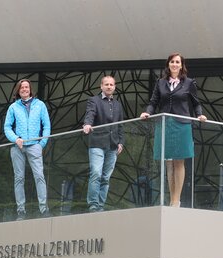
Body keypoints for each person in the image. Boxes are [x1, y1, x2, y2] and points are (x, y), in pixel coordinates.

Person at [140, 52, 207, 207]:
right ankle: (172, 199)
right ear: (168, 64)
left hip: (182, 123)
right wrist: (147, 112)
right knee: (169, 162)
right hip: (165, 123)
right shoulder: (160, 82)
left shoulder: (189, 82)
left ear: (181, 65)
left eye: (178, 62)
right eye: (172, 62)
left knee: (179, 162)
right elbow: (153, 101)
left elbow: (196, 102)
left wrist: (200, 115)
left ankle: (176, 200)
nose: (175, 64)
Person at [4, 79, 51, 221]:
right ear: (18, 90)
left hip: (34, 145)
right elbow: (7, 127)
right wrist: (15, 138)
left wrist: (41, 144)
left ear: (30, 90)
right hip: (18, 147)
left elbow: (47, 126)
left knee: (39, 176)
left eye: (27, 87)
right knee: (19, 178)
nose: (24, 89)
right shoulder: (13, 107)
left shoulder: (40, 105)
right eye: (22, 87)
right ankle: (21, 211)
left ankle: (43, 209)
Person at [83, 76, 124, 212]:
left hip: (112, 145)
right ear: (101, 86)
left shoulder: (118, 104)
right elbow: (90, 113)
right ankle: (93, 204)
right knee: (96, 173)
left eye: (111, 84)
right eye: (106, 84)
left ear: (114, 87)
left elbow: (120, 125)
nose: (109, 86)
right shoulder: (94, 100)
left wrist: (121, 142)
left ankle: (101, 205)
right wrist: (87, 124)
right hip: (97, 143)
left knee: (106, 177)